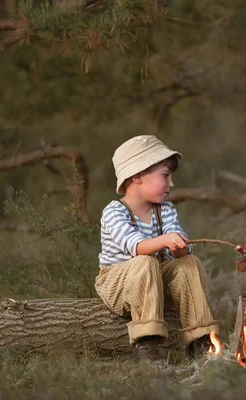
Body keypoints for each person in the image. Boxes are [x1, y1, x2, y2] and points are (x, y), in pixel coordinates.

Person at [96, 135, 220, 361]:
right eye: (165, 176)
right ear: (137, 176)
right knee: (145, 261)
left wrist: (179, 246)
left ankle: (201, 340)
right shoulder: (114, 211)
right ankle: (148, 344)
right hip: (118, 284)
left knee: (188, 263)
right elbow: (135, 246)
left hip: (156, 284)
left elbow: (179, 251)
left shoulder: (165, 210)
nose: (171, 183)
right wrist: (165, 239)